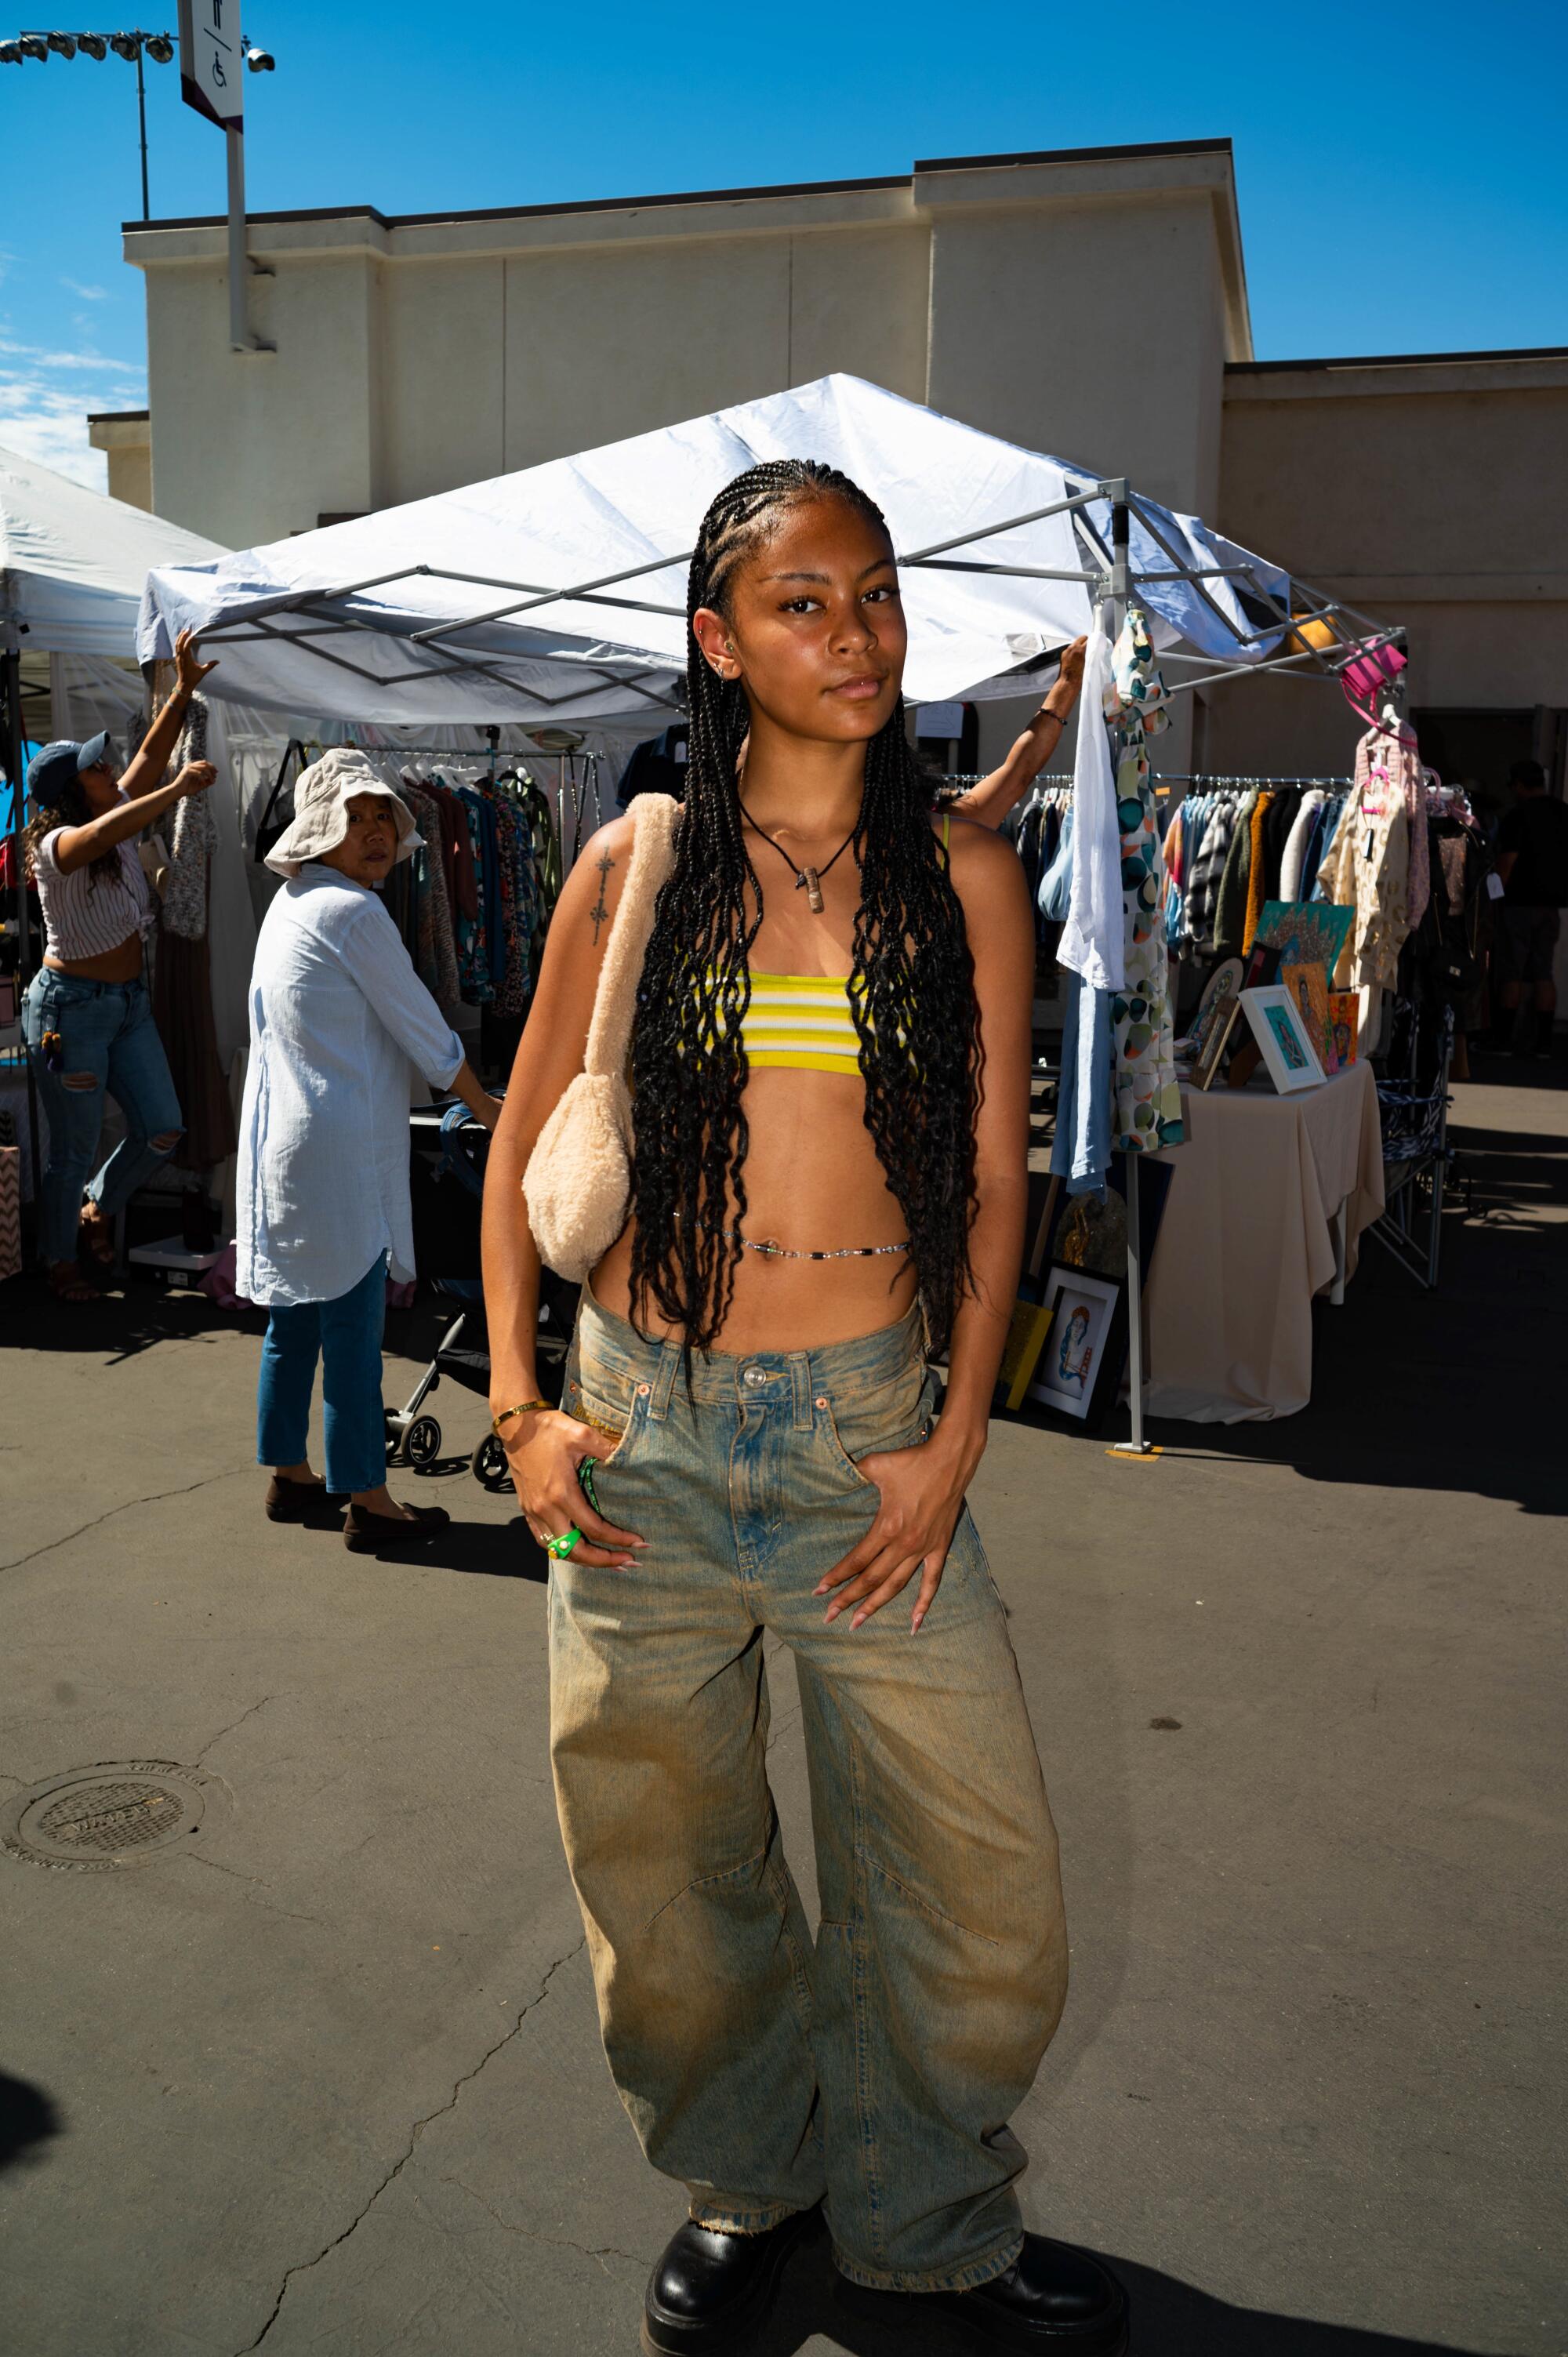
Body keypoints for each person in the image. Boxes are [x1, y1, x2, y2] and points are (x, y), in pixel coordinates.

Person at [482, 462, 1124, 2355]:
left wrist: (952, 1441)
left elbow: (998, 1181)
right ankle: (748, 2178)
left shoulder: (966, 879)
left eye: (873, 597)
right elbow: (528, 1129)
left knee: (973, 1866)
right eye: (803, 604)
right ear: (716, 639)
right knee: (664, 1866)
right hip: (637, 1436)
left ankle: (924, 2209)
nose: (855, 636)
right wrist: (516, 1401)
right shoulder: (636, 865)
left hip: (865, 1437)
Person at [239, 750, 502, 1552]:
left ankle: (289, 1473)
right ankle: (368, 1497)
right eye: (356, 818)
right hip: (337, 1147)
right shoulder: (352, 913)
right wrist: (494, 1110)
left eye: (382, 815)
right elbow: (424, 1028)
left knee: (297, 1321)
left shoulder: (292, 902)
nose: (376, 832)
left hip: (289, 1144)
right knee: (352, 1330)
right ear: (320, 828)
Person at [21, 629, 217, 1301]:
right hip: (70, 1010)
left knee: (162, 1127)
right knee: (70, 1151)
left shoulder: (115, 812)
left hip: (128, 1005)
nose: (111, 771)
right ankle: (58, 1260)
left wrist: (184, 689)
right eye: (98, 769)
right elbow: (107, 832)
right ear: (72, 791)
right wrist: (180, 790)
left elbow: (155, 753)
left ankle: (95, 1208)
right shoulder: (59, 843)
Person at [1491, 758, 1568, 1058]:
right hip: (1551, 907)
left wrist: (1493, 896)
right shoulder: (1563, 813)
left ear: (1520, 785)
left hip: (1519, 904)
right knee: (1543, 973)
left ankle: (1504, 1042)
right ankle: (1544, 1044)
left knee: (1512, 972)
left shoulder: (1517, 816)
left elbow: (1507, 863)